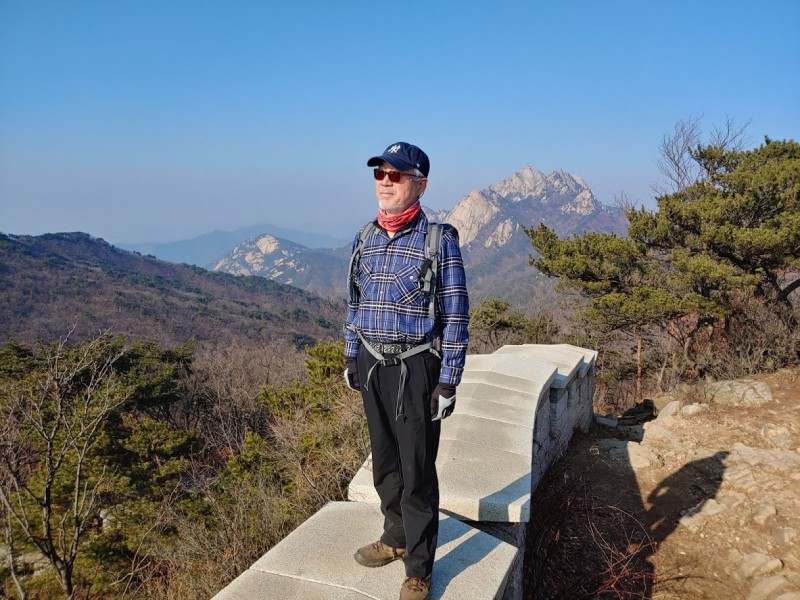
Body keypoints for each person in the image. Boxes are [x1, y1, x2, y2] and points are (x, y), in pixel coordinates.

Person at [344, 142, 469, 600]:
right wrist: (350, 355)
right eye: (379, 173)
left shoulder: (438, 240)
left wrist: (448, 380)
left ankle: (418, 568)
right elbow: (354, 303)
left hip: (416, 367)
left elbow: (456, 315)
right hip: (371, 363)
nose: (385, 181)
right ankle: (395, 536)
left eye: (395, 175)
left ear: (420, 184)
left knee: (416, 471)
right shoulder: (365, 237)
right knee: (385, 463)